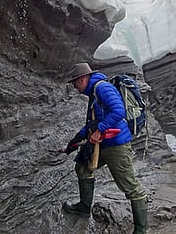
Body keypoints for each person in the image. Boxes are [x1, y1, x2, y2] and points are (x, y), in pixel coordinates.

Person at [62, 62, 148, 234]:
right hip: (103, 144)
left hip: (116, 145)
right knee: (82, 167)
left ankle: (141, 230)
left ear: (83, 79)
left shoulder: (102, 88)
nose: (74, 87)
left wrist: (100, 129)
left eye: (75, 82)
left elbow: (119, 111)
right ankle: (84, 207)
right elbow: (89, 126)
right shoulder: (94, 93)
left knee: (130, 186)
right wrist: (70, 145)